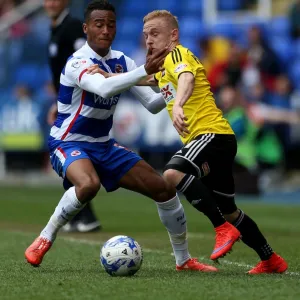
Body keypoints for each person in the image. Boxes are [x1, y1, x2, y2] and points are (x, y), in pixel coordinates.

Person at [24, 0, 218, 273]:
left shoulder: (122, 61)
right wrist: (145, 71)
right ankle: (45, 237)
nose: (105, 30)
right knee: (89, 185)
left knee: (164, 189)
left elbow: (152, 104)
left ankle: (184, 260)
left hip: (104, 146)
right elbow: (103, 89)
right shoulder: (78, 62)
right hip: (68, 142)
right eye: (98, 24)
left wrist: (173, 83)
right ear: (86, 28)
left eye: (111, 24)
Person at [141, 10, 288, 274]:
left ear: (172, 35)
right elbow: (149, 80)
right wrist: (108, 79)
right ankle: (271, 259)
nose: (149, 40)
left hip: (210, 135)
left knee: (173, 174)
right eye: (145, 35)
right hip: (220, 139)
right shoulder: (164, 68)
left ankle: (222, 229)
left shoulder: (178, 55)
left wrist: (179, 106)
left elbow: (187, 77)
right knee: (230, 210)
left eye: (155, 33)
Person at [45, 0, 101, 233]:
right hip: (67, 103)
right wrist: (57, 101)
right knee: (69, 156)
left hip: (79, 104)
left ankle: (83, 215)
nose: (51, 3)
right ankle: (81, 215)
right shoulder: (56, 28)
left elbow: (85, 59)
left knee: (69, 154)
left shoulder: (73, 26)